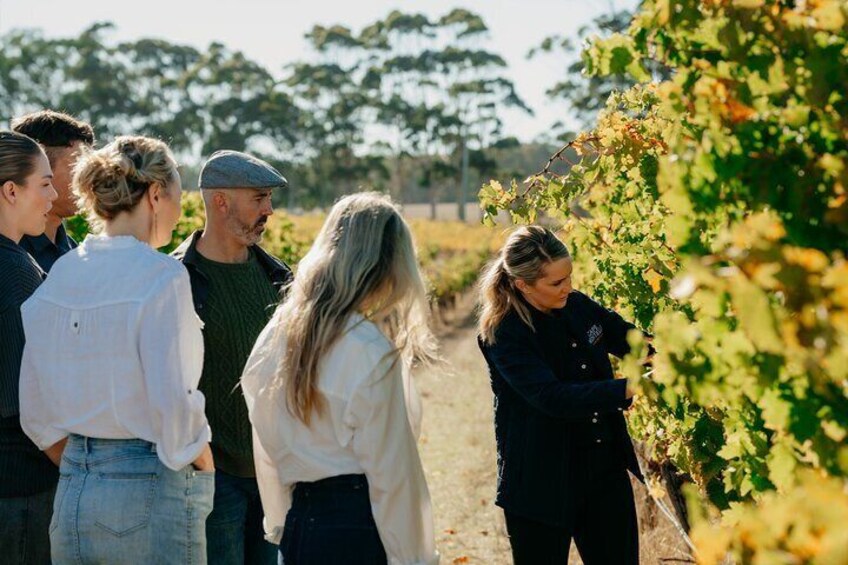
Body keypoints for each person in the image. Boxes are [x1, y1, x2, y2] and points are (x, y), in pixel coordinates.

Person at [19, 136, 215, 564]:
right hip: (151, 479)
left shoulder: (60, 273)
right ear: (156, 194)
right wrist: (203, 458)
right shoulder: (163, 277)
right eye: (179, 196)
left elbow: (33, 410)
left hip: (73, 492)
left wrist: (86, 463)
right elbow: (173, 403)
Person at [242, 192, 440, 565]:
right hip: (359, 528)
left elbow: (265, 447)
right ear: (385, 264)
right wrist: (416, 558)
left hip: (301, 525)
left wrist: (282, 523)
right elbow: (394, 476)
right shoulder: (367, 348)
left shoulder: (277, 334)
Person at [477, 226, 646, 565]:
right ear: (522, 284)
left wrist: (671, 355)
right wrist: (631, 387)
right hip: (539, 484)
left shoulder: (577, 305)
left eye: (569, 276)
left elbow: (631, 339)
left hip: (604, 473)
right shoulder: (503, 332)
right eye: (555, 283)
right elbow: (553, 398)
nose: (567, 287)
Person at [171, 150, 291, 565]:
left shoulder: (281, 279)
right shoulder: (174, 280)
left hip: (274, 474)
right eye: (259, 198)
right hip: (209, 479)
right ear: (221, 202)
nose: (269, 210)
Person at [0, 130, 58, 565]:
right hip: (18, 491)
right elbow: (23, 401)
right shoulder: (16, 270)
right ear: (10, 190)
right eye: (44, 183)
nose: (54, 196)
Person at [12, 110, 95, 272]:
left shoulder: (76, 252)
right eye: (77, 165)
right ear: (39, 165)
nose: (88, 178)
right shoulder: (9, 251)